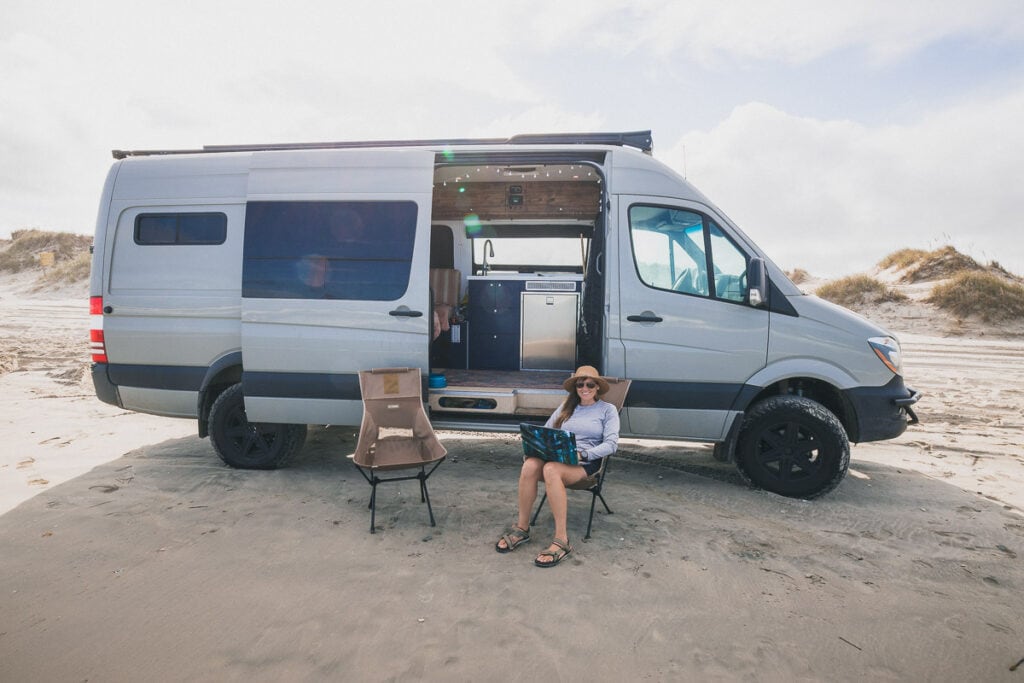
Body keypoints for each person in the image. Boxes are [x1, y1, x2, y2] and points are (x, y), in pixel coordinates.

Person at [495, 365, 620, 567]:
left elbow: (612, 444)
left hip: (585, 463)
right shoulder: (566, 407)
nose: (584, 388)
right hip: (557, 456)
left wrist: (584, 453)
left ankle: (562, 540)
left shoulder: (607, 410)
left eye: (590, 384)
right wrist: (535, 445)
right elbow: (546, 431)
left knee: (550, 469)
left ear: (597, 387)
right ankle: (522, 528)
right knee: (530, 465)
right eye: (580, 384)